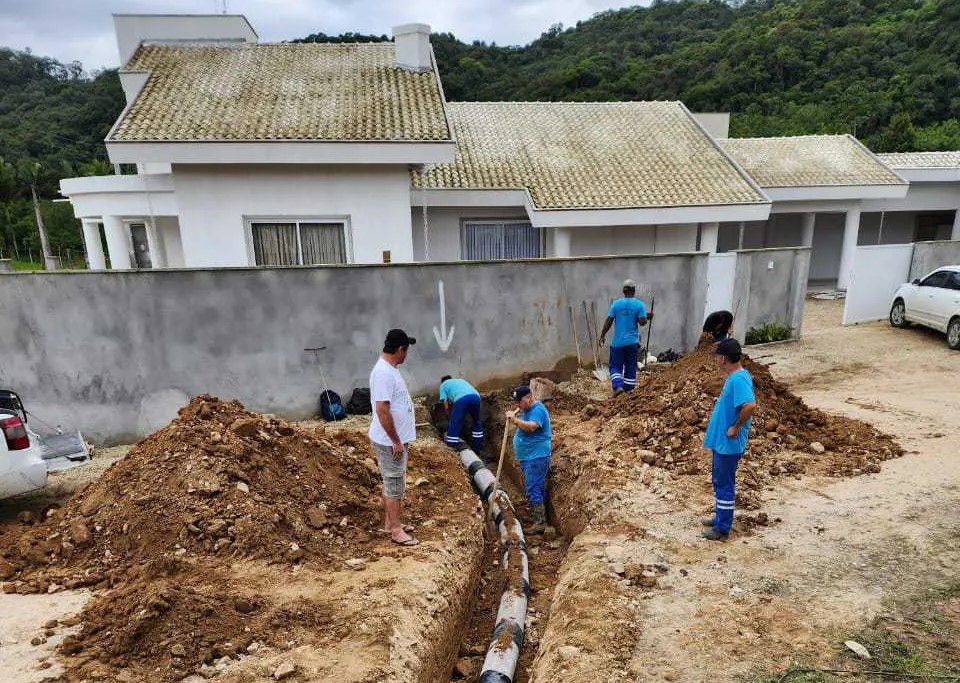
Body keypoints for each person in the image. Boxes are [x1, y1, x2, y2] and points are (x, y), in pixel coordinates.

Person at [701, 338, 757, 541]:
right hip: (722, 444)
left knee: (724, 483)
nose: (717, 361)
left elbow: (749, 405)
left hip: (729, 445)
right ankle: (719, 518)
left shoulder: (738, 379)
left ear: (724, 359)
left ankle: (722, 528)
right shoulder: (735, 377)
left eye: (718, 357)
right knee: (719, 481)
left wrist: (735, 427)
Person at [369, 329, 419, 547]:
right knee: (393, 481)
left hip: (395, 439)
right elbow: (382, 409)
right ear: (400, 350)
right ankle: (396, 530)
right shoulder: (383, 373)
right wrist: (396, 440)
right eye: (406, 350)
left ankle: (392, 523)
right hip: (390, 441)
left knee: (394, 479)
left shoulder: (389, 369)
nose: (406, 355)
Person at [506, 385, 552, 534]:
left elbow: (532, 427)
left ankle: (539, 523)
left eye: (519, 402)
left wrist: (515, 421)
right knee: (535, 486)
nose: (517, 405)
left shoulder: (537, 410)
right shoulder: (527, 409)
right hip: (529, 456)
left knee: (532, 487)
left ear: (528, 398)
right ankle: (539, 514)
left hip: (537, 456)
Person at [598, 279, 653, 395]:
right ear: (634, 291)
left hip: (617, 343)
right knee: (630, 366)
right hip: (632, 343)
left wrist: (602, 335)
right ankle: (628, 390)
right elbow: (642, 322)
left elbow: (609, 320)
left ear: (623, 290)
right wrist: (647, 317)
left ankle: (618, 387)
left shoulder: (616, 304)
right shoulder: (640, 305)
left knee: (615, 366)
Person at [439, 375, 484, 452]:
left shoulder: (443, 385)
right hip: (476, 397)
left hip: (462, 399)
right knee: (476, 421)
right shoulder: (460, 380)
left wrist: (449, 415)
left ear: (442, 382)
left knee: (455, 423)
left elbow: (445, 403)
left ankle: (451, 448)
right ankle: (478, 447)